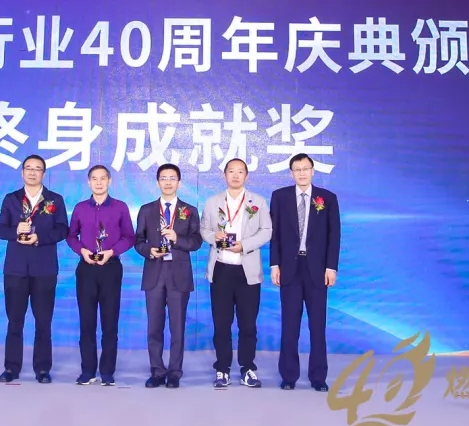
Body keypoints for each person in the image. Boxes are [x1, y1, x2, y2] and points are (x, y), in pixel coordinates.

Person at [269, 152, 341, 391]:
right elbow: (275, 235)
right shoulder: (279, 197)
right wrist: (274, 264)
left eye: (305, 168)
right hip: (289, 269)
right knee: (290, 326)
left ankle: (318, 378)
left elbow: (334, 236)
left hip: (317, 271)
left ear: (312, 171)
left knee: (317, 326)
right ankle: (289, 376)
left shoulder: (327, 198)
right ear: (291, 173)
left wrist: (331, 267)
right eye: (297, 169)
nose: (301, 173)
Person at [0, 154, 69, 384]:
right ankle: (11, 367)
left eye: (37, 169)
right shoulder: (11, 199)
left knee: (43, 321)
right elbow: (0, 230)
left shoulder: (55, 200)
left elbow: (63, 230)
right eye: (28, 168)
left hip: (44, 269)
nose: (32, 172)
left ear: (43, 174)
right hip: (16, 269)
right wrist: (16, 231)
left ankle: (43, 368)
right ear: (22, 172)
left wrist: (40, 237)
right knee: (14, 321)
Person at [200, 158, 272, 388]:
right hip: (221, 269)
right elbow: (203, 229)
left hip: (247, 270)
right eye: (231, 171)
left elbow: (267, 231)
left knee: (248, 324)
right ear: (225, 175)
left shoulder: (258, 202)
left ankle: (247, 368)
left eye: (240, 172)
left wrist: (245, 245)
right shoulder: (212, 202)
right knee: (221, 324)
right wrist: (214, 237)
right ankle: (222, 369)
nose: (235, 175)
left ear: (246, 176)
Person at [134, 163, 203, 388]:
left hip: (179, 273)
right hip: (154, 272)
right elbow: (138, 240)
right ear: (157, 182)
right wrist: (149, 251)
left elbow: (196, 241)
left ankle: (174, 371)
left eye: (172, 178)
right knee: (154, 326)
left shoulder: (189, 210)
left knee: (177, 326)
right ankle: (157, 370)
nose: (168, 182)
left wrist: (176, 239)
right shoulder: (147, 210)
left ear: (179, 183)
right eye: (164, 178)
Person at [66, 165, 135, 386]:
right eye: (94, 179)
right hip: (86, 269)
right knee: (86, 322)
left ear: (109, 181)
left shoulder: (120, 207)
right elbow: (71, 236)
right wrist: (82, 251)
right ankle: (87, 371)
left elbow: (129, 237)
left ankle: (107, 371)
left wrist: (112, 252)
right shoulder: (80, 208)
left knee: (109, 321)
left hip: (110, 268)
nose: (98, 182)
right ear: (88, 182)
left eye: (102, 178)